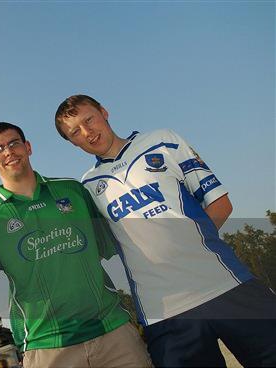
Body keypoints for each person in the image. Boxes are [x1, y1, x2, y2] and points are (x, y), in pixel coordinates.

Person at [0, 122, 151, 367]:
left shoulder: (73, 191)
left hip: (113, 333)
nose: (8, 151)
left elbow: (119, 243)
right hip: (47, 347)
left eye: (14, 143)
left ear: (28, 147)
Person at [54, 94, 276, 367]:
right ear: (72, 143)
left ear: (104, 111)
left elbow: (220, 203)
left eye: (89, 119)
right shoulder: (87, 187)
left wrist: (189, 248)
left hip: (227, 285)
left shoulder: (162, 140)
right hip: (165, 315)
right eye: (75, 131)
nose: (87, 132)